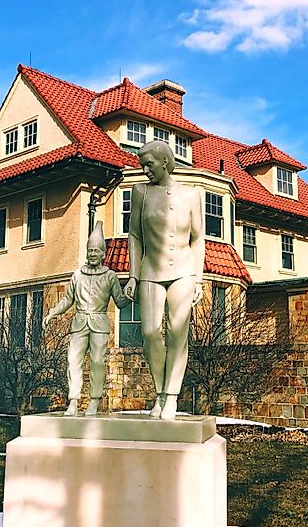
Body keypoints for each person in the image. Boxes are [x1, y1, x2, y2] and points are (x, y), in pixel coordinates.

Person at [125, 141, 204, 420]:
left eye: (149, 164)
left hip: (183, 269)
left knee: (177, 333)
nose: (145, 170)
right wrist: (133, 275)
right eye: (142, 165)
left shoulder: (191, 195)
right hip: (150, 271)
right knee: (150, 333)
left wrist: (198, 279)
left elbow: (197, 238)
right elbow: (134, 236)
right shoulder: (140, 192)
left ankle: (170, 396)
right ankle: (160, 391)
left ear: (165, 163)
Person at [44, 221, 130, 416]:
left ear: (103, 254)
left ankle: (94, 400)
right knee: (73, 360)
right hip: (79, 322)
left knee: (97, 361)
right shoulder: (77, 275)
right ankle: (73, 401)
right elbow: (67, 300)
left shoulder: (110, 276)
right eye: (90, 250)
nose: (92, 254)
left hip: (99, 323)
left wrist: (132, 292)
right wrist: (52, 313)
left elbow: (121, 302)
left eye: (96, 251)